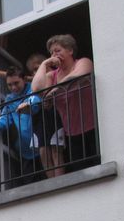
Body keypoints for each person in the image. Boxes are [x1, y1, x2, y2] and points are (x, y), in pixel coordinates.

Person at [31, 34, 98, 173]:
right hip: (72, 135)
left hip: (93, 129)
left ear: (70, 51)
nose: (54, 55)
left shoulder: (82, 62)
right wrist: (44, 64)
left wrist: (53, 91)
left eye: (57, 50)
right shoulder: (52, 75)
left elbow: (75, 77)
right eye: (51, 53)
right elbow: (36, 88)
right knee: (81, 174)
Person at [0, 66, 42, 188]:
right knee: (30, 187)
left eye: (16, 83)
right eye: (9, 85)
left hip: (42, 145)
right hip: (25, 150)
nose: (13, 88)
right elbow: (4, 121)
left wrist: (28, 106)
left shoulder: (33, 88)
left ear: (24, 80)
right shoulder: (9, 99)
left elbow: (35, 103)